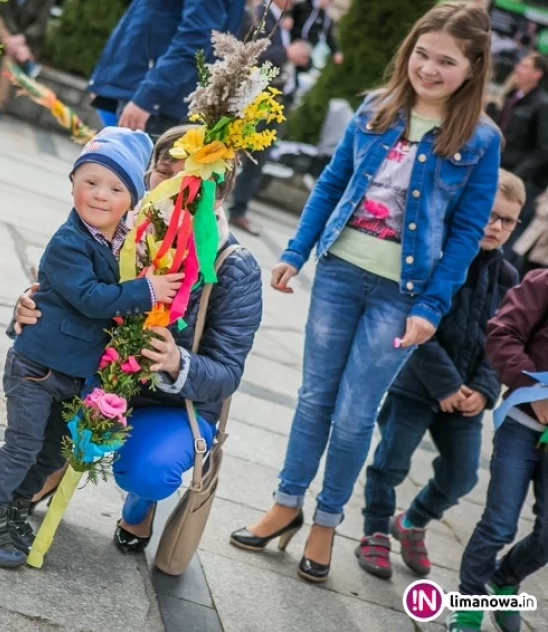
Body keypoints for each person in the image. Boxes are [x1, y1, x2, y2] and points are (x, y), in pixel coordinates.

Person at [228, 2, 501, 584]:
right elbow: (332, 183)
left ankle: (327, 520)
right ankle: (286, 503)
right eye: (422, 54)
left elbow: (466, 233)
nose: (428, 69)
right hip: (338, 273)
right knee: (313, 400)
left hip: (402, 295)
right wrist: (295, 252)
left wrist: (432, 306)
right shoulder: (376, 108)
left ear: (474, 66)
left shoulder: (480, 139)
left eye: (446, 61)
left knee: (354, 417)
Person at [12, 124, 263, 558]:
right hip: (91, 374)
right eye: (162, 176)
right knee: (40, 411)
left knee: (147, 470)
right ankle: (54, 464)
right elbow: (64, 289)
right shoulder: (116, 226)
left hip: (170, 403)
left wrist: (175, 360)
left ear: (218, 197)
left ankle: (141, 503)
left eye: (189, 185)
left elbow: (227, 374)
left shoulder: (233, 266)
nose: (171, 192)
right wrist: (25, 310)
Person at [0, 127, 186, 568]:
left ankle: (14, 510)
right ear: (72, 184)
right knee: (22, 446)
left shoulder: (124, 240)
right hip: (36, 369)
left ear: (133, 199)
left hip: (72, 374)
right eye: (90, 182)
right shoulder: (69, 242)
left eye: (116, 188)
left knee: (49, 452)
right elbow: (90, 298)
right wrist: (147, 291)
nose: (101, 195)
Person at [356, 170, 524, 580]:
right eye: (490, 215)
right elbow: (412, 325)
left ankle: (412, 522)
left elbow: (504, 338)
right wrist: (445, 383)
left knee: (463, 474)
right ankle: (375, 531)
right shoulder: (435, 255)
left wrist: (484, 390)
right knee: (391, 463)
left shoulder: (508, 277)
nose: (497, 226)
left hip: (468, 397)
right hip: (415, 386)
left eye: (508, 221)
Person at [448, 270, 548, 632]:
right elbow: (503, 334)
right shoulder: (542, 283)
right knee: (499, 523)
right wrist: (534, 391)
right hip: (522, 425)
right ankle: (470, 601)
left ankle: (505, 580)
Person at [87, 0, 246, 140]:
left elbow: (195, 40)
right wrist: (105, 78)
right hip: (149, 93)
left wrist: (149, 97)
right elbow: (146, 19)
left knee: (136, 172)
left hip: (159, 102)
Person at [226, 0, 311, 236]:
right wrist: (286, 53)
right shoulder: (259, 14)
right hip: (257, 99)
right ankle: (216, 202)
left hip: (277, 101)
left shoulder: (285, 21)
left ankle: (239, 209)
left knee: (259, 158)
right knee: (237, 152)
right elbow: (251, 53)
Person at [492, 53, 548, 263]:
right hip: (500, 173)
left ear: (537, 74)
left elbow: (544, 149)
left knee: (508, 232)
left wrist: (519, 174)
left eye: (524, 66)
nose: (517, 69)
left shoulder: (542, 104)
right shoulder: (512, 97)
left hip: (525, 182)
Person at [0, 1, 55, 120]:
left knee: (9, 61)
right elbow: (2, 13)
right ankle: (24, 58)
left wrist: (22, 38)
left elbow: (41, 25)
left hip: (27, 43)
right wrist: (15, 42)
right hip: (8, 39)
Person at [291, 0, 344, 73]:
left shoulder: (325, 18)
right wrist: (288, 17)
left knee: (306, 65)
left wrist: (335, 51)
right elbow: (291, 11)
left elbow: (329, 36)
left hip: (307, 48)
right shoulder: (304, 5)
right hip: (292, 41)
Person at [511, 189, 548, 278]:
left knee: (536, 268)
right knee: (520, 263)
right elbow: (540, 204)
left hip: (544, 241)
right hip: (536, 231)